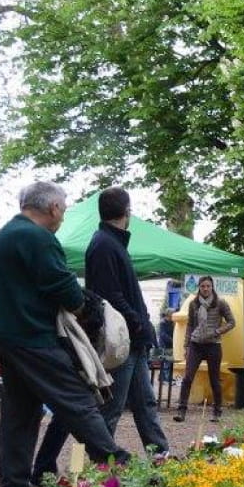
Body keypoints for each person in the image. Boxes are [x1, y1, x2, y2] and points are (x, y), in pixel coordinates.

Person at [0, 182, 132, 487]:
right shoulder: (36, 237)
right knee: (77, 400)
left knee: (20, 412)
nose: (64, 216)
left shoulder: (9, 233)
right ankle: (120, 470)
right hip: (32, 336)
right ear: (52, 208)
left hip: (8, 335)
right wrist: (87, 308)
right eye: (63, 210)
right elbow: (62, 286)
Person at [81, 187, 170, 455]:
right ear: (127, 211)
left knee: (145, 403)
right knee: (112, 407)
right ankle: (100, 463)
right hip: (121, 339)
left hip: (132, 338)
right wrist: (137, 322)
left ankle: (159, 455)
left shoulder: (111, 243)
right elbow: (110, 295)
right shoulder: (104, 245)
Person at [174, 276, 235, 422]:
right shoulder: (193, 304)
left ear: (212, 287)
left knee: (214, 379)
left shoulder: (220, 303)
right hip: (196, 344)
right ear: (199, 288)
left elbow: (232, 322)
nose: (205, 289)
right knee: (188, 377)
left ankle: (217, 411)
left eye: (208, 286)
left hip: (213, 345)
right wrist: (186, 345)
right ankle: (181, 411)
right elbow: (190, 325)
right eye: (202, 286)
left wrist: (217, 331)